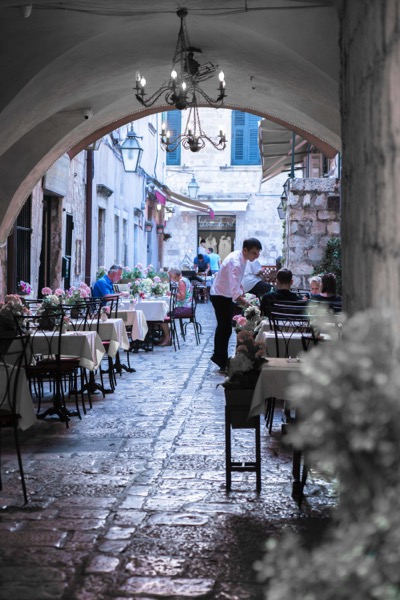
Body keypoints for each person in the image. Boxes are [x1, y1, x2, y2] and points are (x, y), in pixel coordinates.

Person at [209, 237, 262, 373]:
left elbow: (236, 283)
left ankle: (219, 358)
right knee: (224, 328)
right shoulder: (236, 263)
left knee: (224, 328)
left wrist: (242, 291)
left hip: (223, 293)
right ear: (245, 250)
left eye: (258, 253)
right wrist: (249, 305)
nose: (257, 256)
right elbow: (235, 293)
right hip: (220, 295)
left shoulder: (241, 258)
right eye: (254, 253)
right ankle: (221, 361)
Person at [157, 268, 192, 346]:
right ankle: (165, 336)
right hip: (186, 306)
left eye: (170, 275)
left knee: (161, 315)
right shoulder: (185, 279)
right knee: (163, 311)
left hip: (184, 308)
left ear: (175, 275)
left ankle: (167, 338)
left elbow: (182, 297)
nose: (170, 277)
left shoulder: (181, 282)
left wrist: (171, 293)